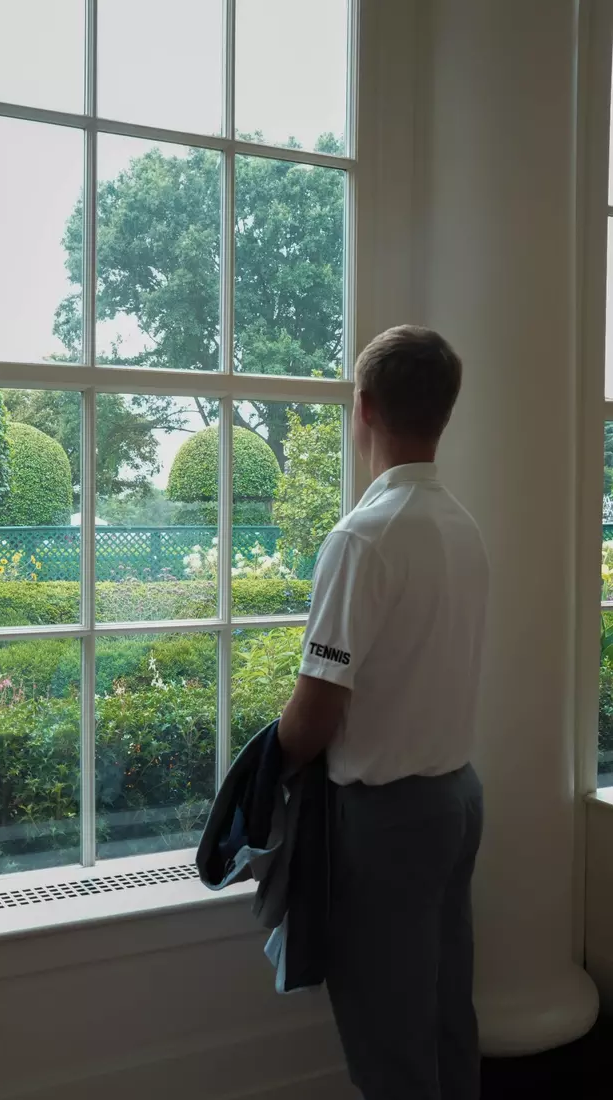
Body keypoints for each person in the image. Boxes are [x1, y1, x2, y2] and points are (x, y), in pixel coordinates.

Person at [278, 326, 489, 1100]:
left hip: (389, 821)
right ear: (444, 413)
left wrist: (266, 766)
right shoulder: (462, 530)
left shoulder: (363, 538)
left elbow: (315, 716)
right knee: (443, 1018)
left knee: (387, 1040)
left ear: (361, 407)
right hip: (457, 800)